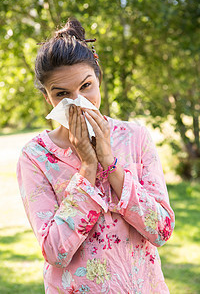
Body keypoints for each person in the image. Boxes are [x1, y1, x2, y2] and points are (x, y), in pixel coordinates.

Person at [16, 18, 175, 294]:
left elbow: (161, 230)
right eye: (63, 94)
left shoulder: (136, 138)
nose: (78, 101)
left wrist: (110, 165)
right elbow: (55, 252)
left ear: (98, 79)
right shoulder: (35, 157)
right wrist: (88, 167)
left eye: (86, 86)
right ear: (48, 99)